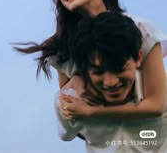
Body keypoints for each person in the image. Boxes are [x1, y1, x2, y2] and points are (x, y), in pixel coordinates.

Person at [14, 0, 167, 117]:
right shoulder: (62, 48)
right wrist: (75, 87)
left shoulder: (141, 29)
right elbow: (71, 111)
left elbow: (156, 105)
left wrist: (93, 111)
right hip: (106, 140)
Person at [55, 12, 167, 153]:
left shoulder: (162, 94)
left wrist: (94, 112)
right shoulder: (70, 101)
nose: (110, 82)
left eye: (119, 68)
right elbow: (69, 133)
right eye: (98, 72)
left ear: (139, 58)